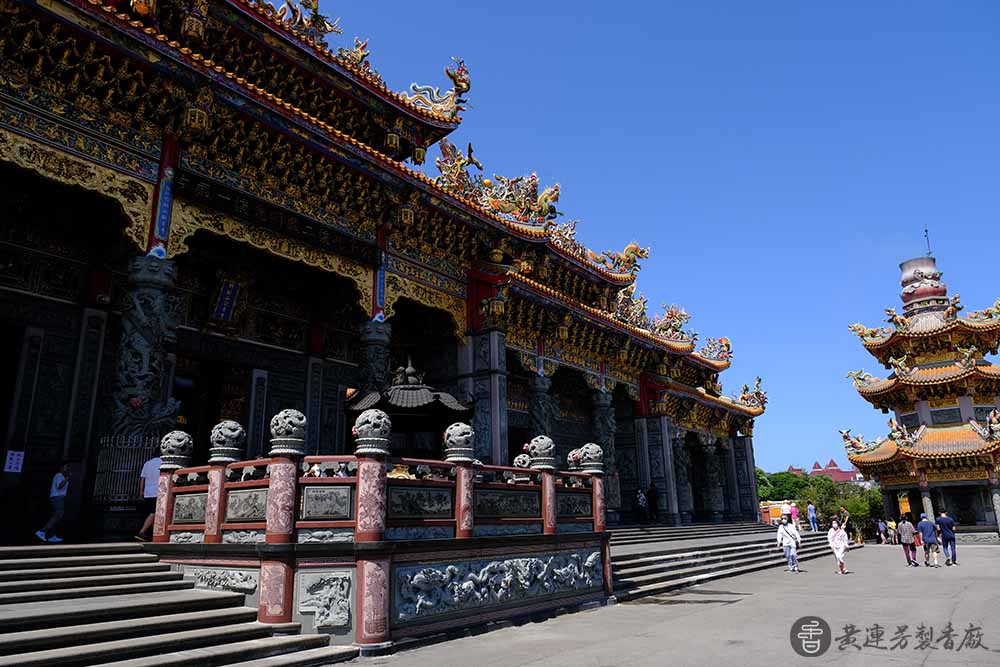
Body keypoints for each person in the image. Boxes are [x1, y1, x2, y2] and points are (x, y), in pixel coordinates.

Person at [36, 462, 70, 543]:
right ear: (61, 468)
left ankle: (51, 536)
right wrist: (67, 479)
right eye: (66, 467)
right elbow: (59, 486)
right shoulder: (58, 475)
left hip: (58, 498)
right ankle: (42, 531)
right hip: (57, 497)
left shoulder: (61, 476)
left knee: (56, 517)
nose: (67, 468)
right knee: (59, 515)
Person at [134, 453, 163, 541]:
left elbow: (143, 479)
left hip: (148, 492)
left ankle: (155, 534)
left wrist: (141, 492)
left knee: (154, 513)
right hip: (158, 491)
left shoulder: (147, 463)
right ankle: (142, 532)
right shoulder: (163, 463)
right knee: (153, 513)